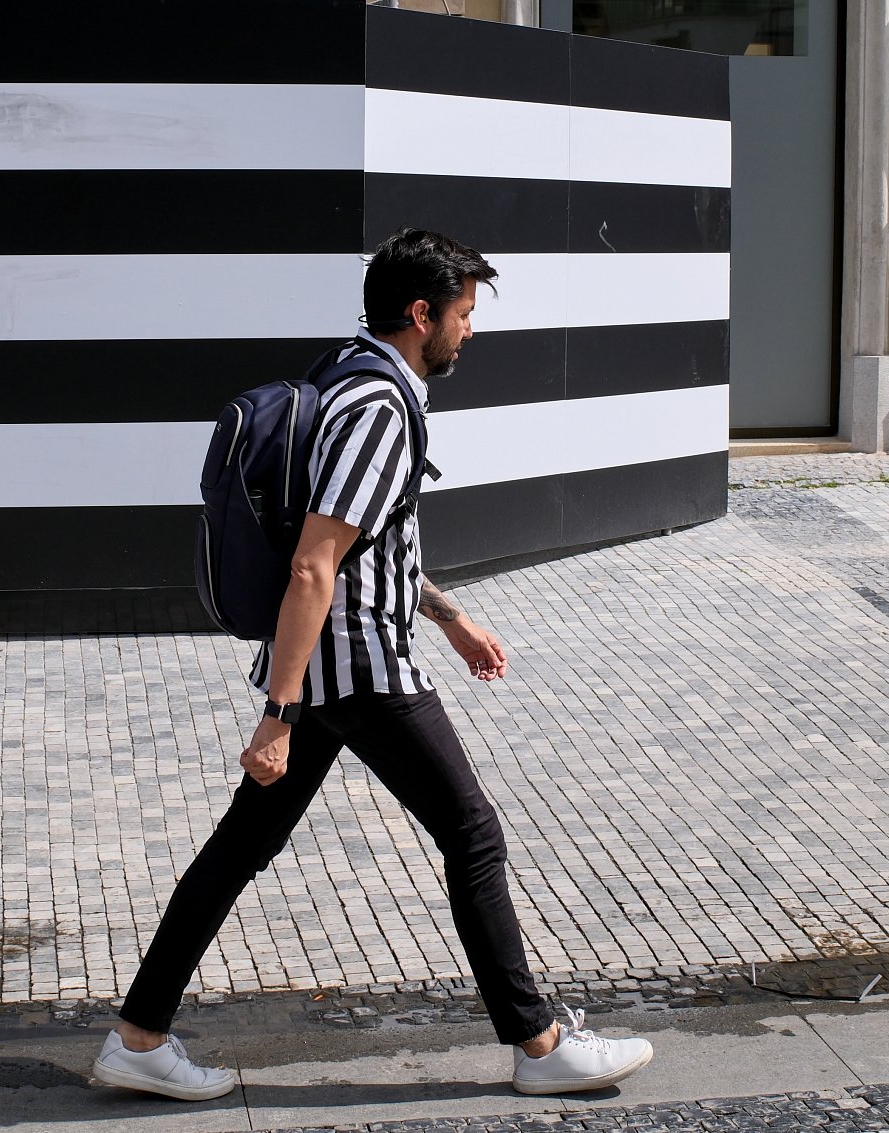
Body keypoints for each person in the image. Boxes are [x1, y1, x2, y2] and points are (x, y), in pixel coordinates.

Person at [91, 229, 653, 1101]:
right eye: (464, 314)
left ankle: (138, 1036)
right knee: (472, 833)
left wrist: (451, 616)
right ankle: (540, 1044)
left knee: (242, 845)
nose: (470, 331)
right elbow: (315, 563)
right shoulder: (380, 408)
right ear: (422, 313)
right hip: (357, 667)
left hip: (329, 661)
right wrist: (278, 714)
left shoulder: (345, 372)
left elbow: (365, 544)